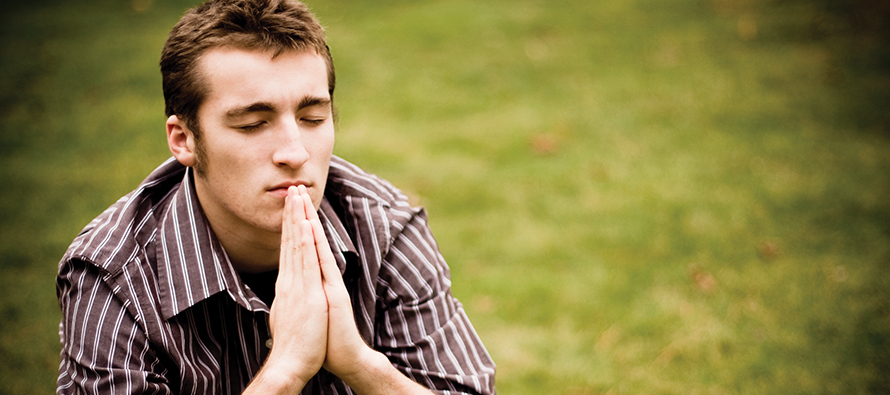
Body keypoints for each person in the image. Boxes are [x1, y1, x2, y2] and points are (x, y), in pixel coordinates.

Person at [54, 0, 497, 393]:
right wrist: (284, 372)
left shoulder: (385, 226)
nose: (294, 152)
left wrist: (362, 367)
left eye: (312, 116)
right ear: (184, 139)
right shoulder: (113, 275)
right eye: (252, 123)